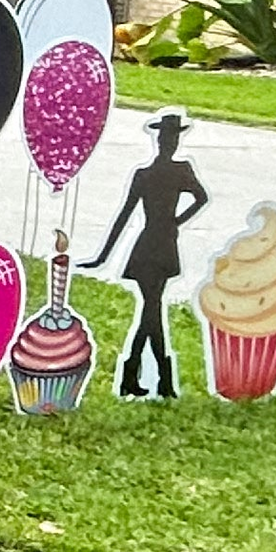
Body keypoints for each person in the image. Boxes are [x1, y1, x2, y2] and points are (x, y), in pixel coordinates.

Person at [83, 110, 208, 400]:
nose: (169, 143)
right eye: (166, 138)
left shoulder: (181, 170)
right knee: (153, 309)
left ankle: (136, 376)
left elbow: (201, 198)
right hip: (151, 244)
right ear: (159, 140)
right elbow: (124, 216)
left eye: (173, 138)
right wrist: (102, 256)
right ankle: (159, 380)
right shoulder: (146, 174)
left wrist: (177, 220)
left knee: (151, 309)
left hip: (162, 243)